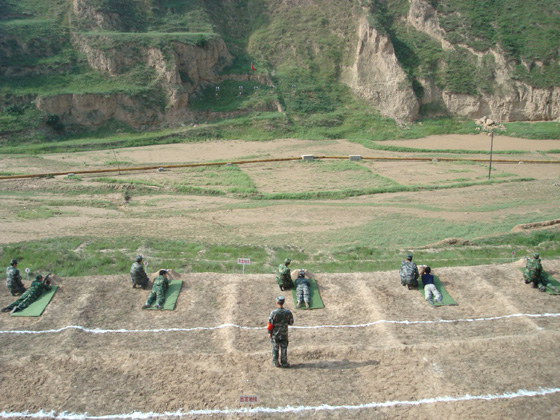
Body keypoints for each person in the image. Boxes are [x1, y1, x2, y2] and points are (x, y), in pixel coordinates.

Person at [267, 296, 294, 368]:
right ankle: (284, 363)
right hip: (284, 333)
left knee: (275, 348)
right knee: (284, 348)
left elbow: (270, 324)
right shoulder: (288, 312)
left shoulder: (273, 313)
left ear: (277, 302)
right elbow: (291, 322)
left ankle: (275, 362)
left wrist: (269, 332)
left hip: (275, 334)